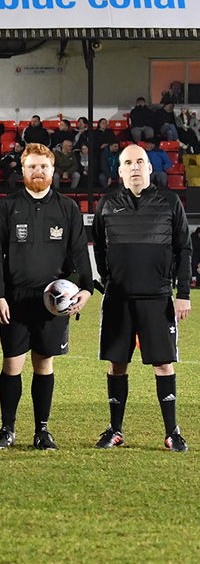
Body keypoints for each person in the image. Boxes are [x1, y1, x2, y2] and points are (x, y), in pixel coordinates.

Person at [0, 142, 93, 450]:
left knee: (44, 364)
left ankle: (42, 431)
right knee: (12, 364)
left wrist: (85, 288)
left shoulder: (67, 207)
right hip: (15, 300)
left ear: (53, 170)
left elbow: (78, 255)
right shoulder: (8, 207)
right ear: (23, 170)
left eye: (44, 166)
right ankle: (7, 429)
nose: (38, 171)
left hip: (53, 302)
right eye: (32, 166)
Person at [93, 144, 191, 452]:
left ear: (149, 168)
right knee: (117, 363)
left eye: (140, 161)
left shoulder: (170, 202)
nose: (134, 167)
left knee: (163, 364)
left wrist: (183, 294)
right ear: (119, 171)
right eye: (128, 163)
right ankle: (115, 430)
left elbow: (184, 250)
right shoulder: (107, 204)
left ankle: (172, 432)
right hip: (118, 299)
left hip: (158, 297)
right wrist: (109, 282)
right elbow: (99, 248)